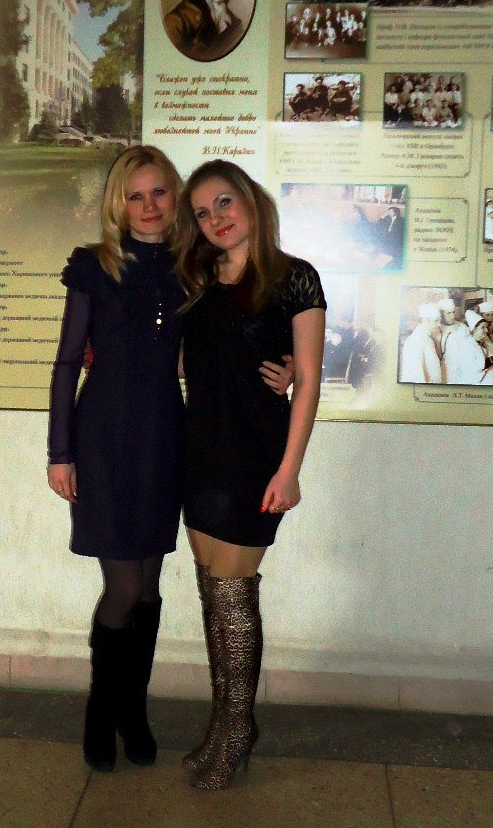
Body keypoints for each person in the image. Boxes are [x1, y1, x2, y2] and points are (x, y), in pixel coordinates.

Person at [47, 146, 294, 776]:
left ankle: (135, 714)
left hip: (165, 438)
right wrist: (60, 453)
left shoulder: (195, 269)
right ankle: (102, 715)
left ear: (174, 198)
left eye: (159, 192)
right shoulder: (93, 267)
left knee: (151, 588)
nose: (149, 205)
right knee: (123, 588)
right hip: (104, 440)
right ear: (118, 204)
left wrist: (286, 363)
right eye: (135, 195)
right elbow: (67, 363)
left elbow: (237, 329)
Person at [176, 160, 326, 790]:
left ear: (251, 200)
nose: (215, 219)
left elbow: (309, 380)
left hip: (255, 457)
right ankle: (224, 723)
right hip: (199, 452)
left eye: (224, 202)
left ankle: (238, 730)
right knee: (213, 593)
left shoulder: (294, 278)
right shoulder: (196, 279)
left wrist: (289, 471)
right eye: (202, 212)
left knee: (235, 596)